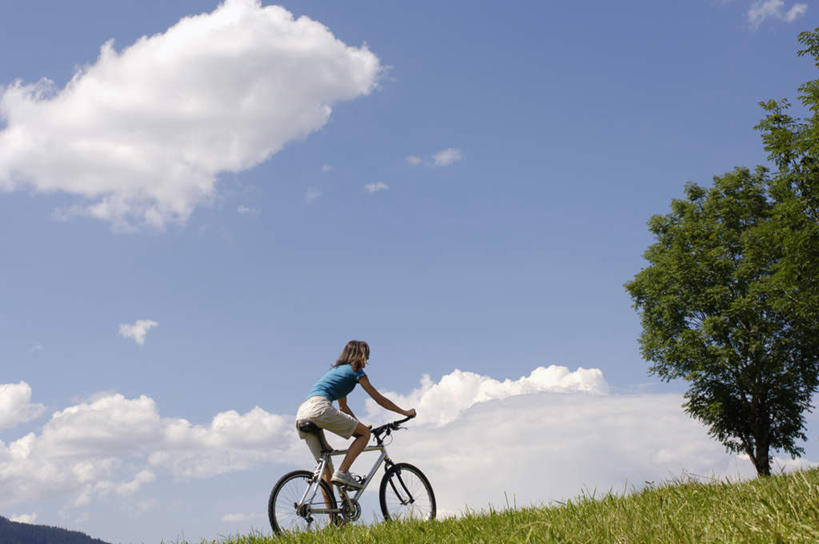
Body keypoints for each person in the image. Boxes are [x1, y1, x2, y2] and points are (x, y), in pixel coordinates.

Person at [295, 340, 416, 489]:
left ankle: (332, 513)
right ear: (360, 355)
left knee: (325, 471)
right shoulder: (356, 371)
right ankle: (343, 472)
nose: (368, 360)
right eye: (367, 356)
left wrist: (360, 424)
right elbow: (378, 398)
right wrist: (405, 412)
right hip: (319, 408)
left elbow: (343, 406)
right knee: (364, 435)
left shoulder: (337, 372)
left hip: (302, 412)